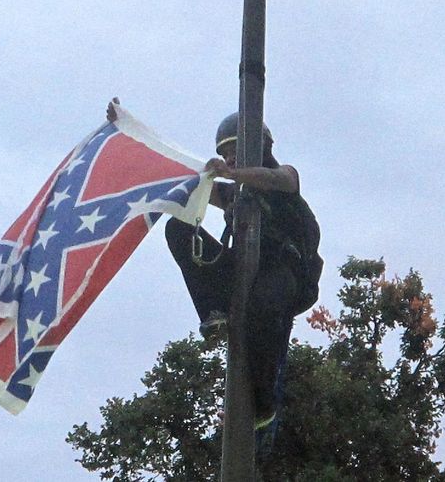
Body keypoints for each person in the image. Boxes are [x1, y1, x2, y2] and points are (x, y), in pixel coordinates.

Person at [106, 99, 323, 443]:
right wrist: (130, 134)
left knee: (263, 311)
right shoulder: (231, 192)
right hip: (240, 269)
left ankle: (263, 405)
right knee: (178, 227)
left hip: (283, 271)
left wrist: (234, 175)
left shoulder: (284, 177)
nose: (231, 158)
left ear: (261, 148)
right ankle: (214, 312)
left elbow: (278, 180)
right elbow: (182, 176)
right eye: (227, 153)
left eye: (237, 150)